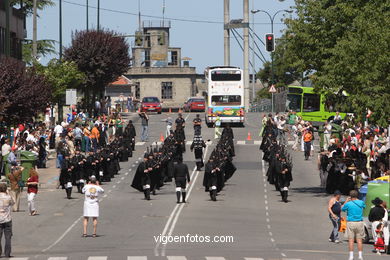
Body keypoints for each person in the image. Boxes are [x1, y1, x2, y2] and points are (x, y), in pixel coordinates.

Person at [342, 190, 366, 260]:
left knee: (351, 240)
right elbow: (364, 206)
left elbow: (342, 208)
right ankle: (360, 255)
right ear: (357, 195)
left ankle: (351, 256)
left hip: (351, 222)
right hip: (359, 222)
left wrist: (346, 201)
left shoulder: (348, 204)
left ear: (350, 196)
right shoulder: (361, 202)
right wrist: (357, 199)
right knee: (359, 240)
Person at [0, 183, 14, 257]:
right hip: (7, 219)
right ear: (6, 189)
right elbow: (13, 203)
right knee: (8, 238)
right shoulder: (8, 197)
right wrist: (8, 194)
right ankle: (7, 253)